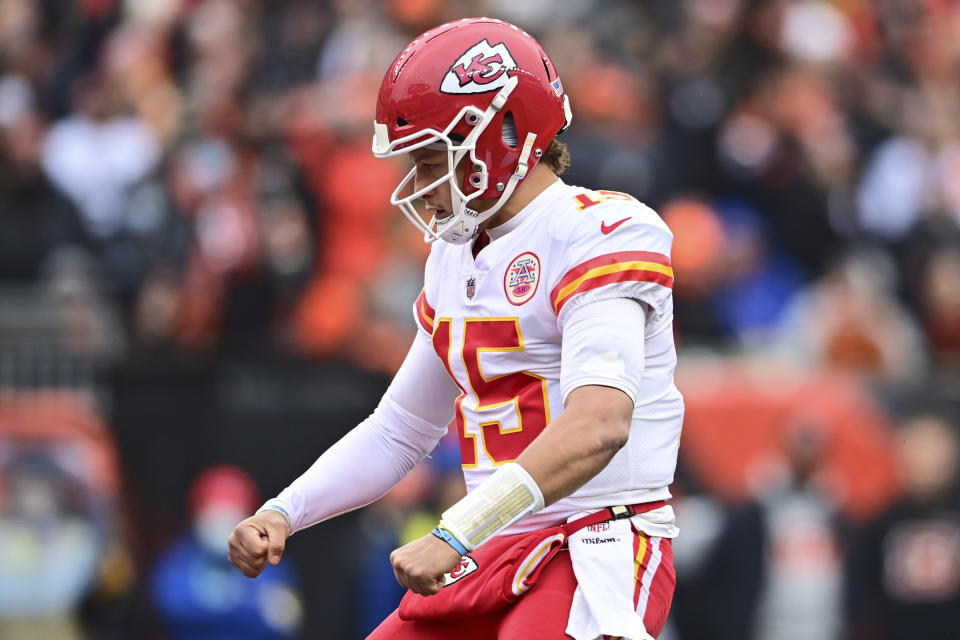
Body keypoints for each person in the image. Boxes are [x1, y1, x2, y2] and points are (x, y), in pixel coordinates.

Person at [229, 17, 683, 640]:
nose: (417, 185)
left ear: (502, 133)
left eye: (429, 158)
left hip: (595, 540)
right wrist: (285, 511)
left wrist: (454, 531)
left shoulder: (597, 231)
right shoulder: (454, 256)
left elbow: (599, 424)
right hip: (493, 548)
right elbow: (398, 430)